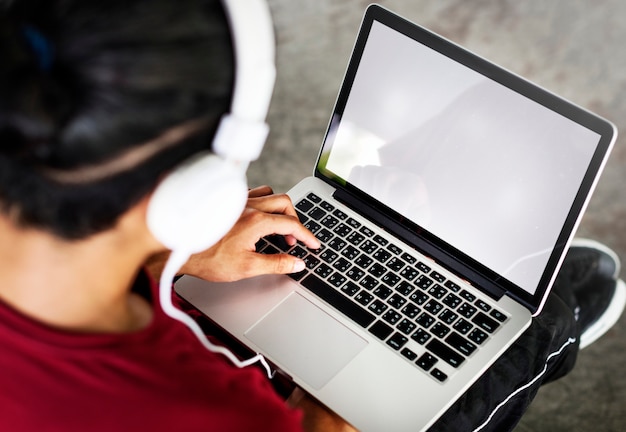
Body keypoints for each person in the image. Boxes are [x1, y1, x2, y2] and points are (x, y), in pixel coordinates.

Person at [0, 1, 623, 431]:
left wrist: (177, 256)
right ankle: (559, 329)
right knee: (529, 323)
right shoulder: (224, 414)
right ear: (200, 190)